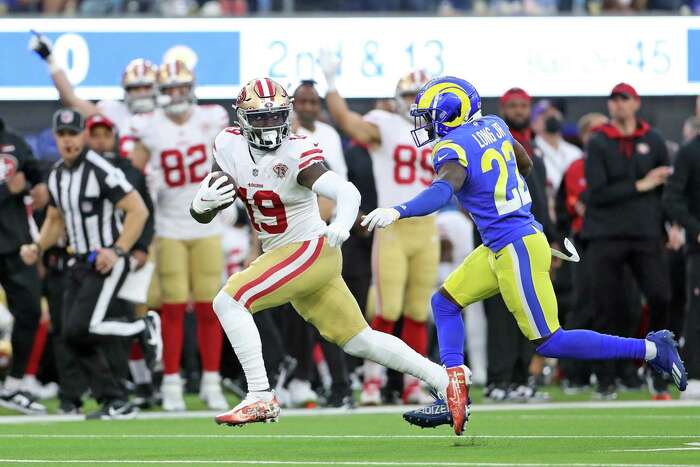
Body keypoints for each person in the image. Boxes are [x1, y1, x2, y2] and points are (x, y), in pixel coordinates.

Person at [362, 76, 687, 436]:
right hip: (504, 241)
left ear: (451, 114)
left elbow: (442, 191)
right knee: (444, 303)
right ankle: (454, 392)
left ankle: (652, 349)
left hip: (514, 245)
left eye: (431, 115)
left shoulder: (451, 147)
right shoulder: (495, 124)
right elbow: (526, 164)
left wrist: (399, 210)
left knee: (551, 341)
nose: (425, 124)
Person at [189, 77, 458, 427]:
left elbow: (347, 193)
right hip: (289, 253)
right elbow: (207, 208)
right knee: (360, 341)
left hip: (310, 248)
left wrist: (342, 225)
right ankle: (445, 381)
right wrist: (199, 205)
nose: (270, 125)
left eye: (276, 117)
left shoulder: (297, 150)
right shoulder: (228, 145)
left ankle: (260, 395)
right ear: (242, 120)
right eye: (260, 118)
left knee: (229, 300)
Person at [19, 108, 160, 419]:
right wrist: (37, 246)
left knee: (84, 327)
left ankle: (141, 326)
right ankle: (115, 399)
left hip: (106, 260)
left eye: (73, 134)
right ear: (55, 137)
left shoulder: (100, 169)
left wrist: (118, 250)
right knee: (71, 334)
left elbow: (138, 210)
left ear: (82, 135)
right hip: (79, 261)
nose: (69, 141)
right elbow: (55, 220)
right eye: (63, 135)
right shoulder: (56, 174)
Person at [320, 53, 438, 405]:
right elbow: (344, 119)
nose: (414, 103)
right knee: (388, 308)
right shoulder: (385, 124)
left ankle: (412, 384)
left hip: (427, 227)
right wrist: (331, 83)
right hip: (393, 226)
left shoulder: (442, 130)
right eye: (408, 95)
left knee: (418, 310)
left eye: (420, 95)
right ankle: (373, 380)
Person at [129, 60, 230, 411]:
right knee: (171, 308)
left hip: (208, 225)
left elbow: (232, 158)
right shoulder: (149, 127)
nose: (175, 95)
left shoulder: (212, 119)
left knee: (209, 307)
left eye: (180, 88)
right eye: (169, 89)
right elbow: (131, 177)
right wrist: (145, 188)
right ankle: (171, 382)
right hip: (169, 227)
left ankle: (211, 381)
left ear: (192, 89)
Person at [583, 83, 674, 399]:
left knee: (660, 296)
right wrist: (640, 185)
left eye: (624, 99)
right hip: (605, 234)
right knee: (607, 307)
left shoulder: (653, 139)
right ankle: (606, 378)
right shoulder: (598, 142)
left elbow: (666, 188)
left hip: (645, 232)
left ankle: (657, 368)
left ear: (635, 103)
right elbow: (596, 192)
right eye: (613, 100)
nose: (618, 105)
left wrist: (671, 225)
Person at [29, 32, 157, 157]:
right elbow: (70, 98)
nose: (141, 93)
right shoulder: (115, 112)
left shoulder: (166, 115)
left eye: (146, 87)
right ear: (126, 90)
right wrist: (50, 60)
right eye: (135, 88)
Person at [0, 117, 49, 414]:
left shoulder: (14, 141)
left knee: (31, 310)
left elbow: (34, 171)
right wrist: (10, 189)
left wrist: (39, 185)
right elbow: (15, 185)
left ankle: (15, 385)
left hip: (15, 245)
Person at [663, 115, 700, 399]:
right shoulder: (689, 152)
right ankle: (697, 376)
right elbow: (672, 198)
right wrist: (695, 229)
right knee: (697, 310)